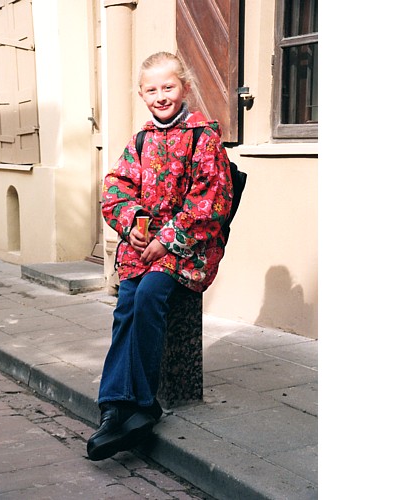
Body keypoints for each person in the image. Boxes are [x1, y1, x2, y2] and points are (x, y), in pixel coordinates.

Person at [86, 51, 234, 461]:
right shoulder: (141, 141)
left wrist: (168, 239)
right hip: (145, 248)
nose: (160, 96)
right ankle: (114, 406)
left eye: (168, 87)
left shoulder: (203, 138)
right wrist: (133, 224)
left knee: (150, 293)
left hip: (188, 248)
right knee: (127, 301)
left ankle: (142, 402)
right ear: (141, 94)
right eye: (151, 90)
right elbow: (115, 189)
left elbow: (211, 202)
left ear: (184, 87)